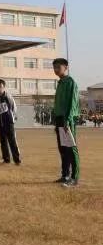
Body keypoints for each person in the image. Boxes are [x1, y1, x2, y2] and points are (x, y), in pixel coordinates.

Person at [52, 58, 80, 187]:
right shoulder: (60, 82)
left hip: (67, 119)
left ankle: (74, 178)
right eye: (54, 67)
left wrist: (67, 120)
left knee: (71, 148)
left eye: (58, 67)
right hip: (59, 119)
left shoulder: (70, 82)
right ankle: (65, 175)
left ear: (66, 67)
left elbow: (73, 103)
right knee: (62, 149)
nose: (56, 70)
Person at [0, 79, 21, 165]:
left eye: (0, 87)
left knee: (12, 141)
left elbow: (14, 107)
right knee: (3, 141)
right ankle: (6, 159)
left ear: (4, 87)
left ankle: (17, 159)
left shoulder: (8, 97)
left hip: (8, 122)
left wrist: (12, 117)